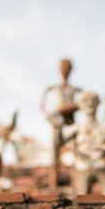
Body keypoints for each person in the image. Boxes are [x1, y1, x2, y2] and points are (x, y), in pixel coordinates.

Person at [61, 91, 105, 194]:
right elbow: (61, 138)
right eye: (85, 101)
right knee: (82, 199)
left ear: (98, 103)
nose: (89, 104)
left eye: (92, 101)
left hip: (102, 165)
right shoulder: (77, 129)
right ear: (80, 105)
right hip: (83, 166)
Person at [40, 58, 81, 188]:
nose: (65, 70)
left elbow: (81, 104)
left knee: (77, 154)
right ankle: (54, 184)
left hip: (71, 124)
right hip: (57, 124)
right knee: (55, 154)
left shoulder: (76, 90)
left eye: (67, 67)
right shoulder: (53, 89)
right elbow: (43, 106)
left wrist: (69, 107)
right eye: (63, 67)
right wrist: (53, 117)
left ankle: (76, 182)